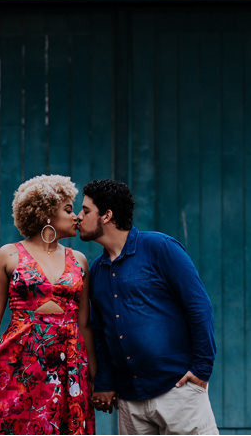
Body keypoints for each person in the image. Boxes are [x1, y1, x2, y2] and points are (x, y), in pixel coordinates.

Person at [0, 174, 96, 435]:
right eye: (68, 209)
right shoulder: (9, 254)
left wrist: (96, 374)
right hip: (20, 363)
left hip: (70, 363)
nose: (76, 217)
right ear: (47, 214)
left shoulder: (79, 260)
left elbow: (85, 323)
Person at [76, 179, 218, 435]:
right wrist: (105, 381)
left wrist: (201, 370)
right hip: (130, 401)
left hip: (178, 391)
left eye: (85, 210)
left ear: (107, 215)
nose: (78, 217)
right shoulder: (96, 271)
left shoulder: (160, 248)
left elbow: (199, 307)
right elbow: (101, 331)